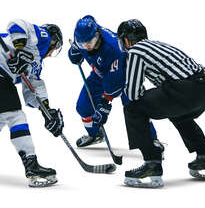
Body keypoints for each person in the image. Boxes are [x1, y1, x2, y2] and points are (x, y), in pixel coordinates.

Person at [0, 19, 64, 187]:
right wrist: (21, 50)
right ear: (54, 40)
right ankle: (31, 166)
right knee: (16, 116)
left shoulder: (36, 62)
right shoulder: (42, 37)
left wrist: (47, 110)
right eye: (55, 47)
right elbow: (17, 23)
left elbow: (33, 89)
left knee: (0, 117)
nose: (51, 53)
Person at [117, 19, 205, 188]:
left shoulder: (136, 51)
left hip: (185, 91)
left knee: (133, 109)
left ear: (126, 40)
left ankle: (152, 163)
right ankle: (204, 157)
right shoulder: (157, 45)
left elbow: (133, 94)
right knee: (176, 112)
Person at [68, 15, 160, 148]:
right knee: (83, 106)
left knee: (134, 107)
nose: (86, 46)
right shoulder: (81, 38)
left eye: (90, 42)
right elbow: (76, 49)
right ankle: (95, 134)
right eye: (83, 43)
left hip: (126, 76)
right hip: (100, 74)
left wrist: (105, 102)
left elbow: (115, 82)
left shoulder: (113, 47)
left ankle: (151, 140)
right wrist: (74, 54)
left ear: (98, 34)